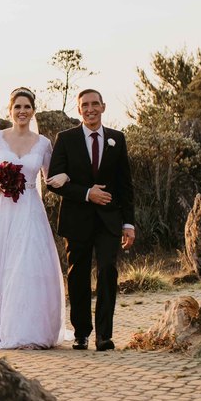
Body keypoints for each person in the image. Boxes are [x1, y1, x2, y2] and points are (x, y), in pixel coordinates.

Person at [0, 88, 70, 349]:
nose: (22, 111)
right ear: (10, 110)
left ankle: (24, 329)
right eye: (18, 106)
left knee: (24, 266)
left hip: (29, 209)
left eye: (27, 107)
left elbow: (49, 177)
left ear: (33, 111)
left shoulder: (43, 143)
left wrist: (66, 177)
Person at [46, 88, 136, 351]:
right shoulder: (65, 139)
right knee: (78, 276)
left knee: (108, 270)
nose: (90, 109)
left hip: (109, 219)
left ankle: (104, 336)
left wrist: (128, 223)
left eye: (95, 104)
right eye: (85, 105)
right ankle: (82, 333)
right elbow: (54, 181)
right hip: (77, 218)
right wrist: (87, 193)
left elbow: (125, 185)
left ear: (103, 107)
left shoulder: (117, 139)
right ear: (79, 110)